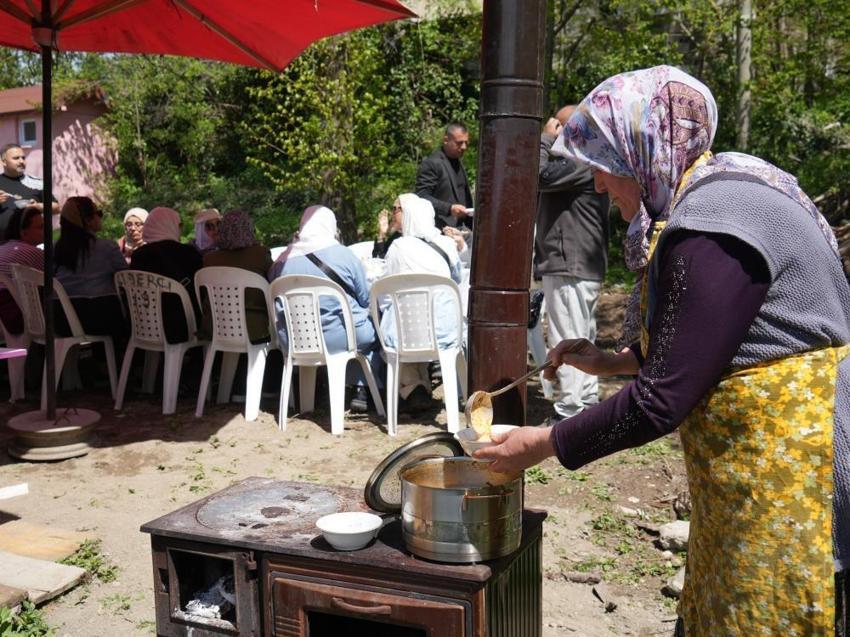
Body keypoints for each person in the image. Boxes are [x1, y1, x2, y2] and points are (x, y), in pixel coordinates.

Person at [476, 65, 850, 637]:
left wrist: (544, 443)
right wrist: (605, 362)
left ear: (642, 145)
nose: (599, 184)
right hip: (754, 475)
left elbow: (660, 400)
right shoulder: (722, 185)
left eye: (606, 163)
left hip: (797, 474)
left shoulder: (714, 223)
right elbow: (710, 343)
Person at [270, 205, 383, 412]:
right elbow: (365, 298)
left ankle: (319, 394)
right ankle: (360, 389)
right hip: (341, 337)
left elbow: (272, 289)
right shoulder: (344, 254)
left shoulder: (282, 260)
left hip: (295, 339)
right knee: (374, 331)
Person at [535, 104, 610, 419]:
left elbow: (537, 176)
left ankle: (568, 411)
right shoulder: (590, 159)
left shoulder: (582, 159)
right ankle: (586, 406)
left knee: (566, 338)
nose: (558, 134)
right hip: (577, 263)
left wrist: (542, 142)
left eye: (561, 127)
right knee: (580, 337)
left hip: (571, 262)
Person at [380, 193, 463, 410]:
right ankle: (420, 388)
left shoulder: (398, 247)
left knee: (396, 317)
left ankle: (412, 388)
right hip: (446, 332)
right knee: (415, 316)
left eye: (397, 209)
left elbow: (385, 292)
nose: (393, 213)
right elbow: (457, 281)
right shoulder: (446, 244)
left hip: (408, 335)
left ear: (409, 216)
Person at [54, 196, 128, 344]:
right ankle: (120, 364)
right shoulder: (107, 248)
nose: (100, 217)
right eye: (98, 213)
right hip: (96, 319)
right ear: (87, 220)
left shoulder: (56, 249)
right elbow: (127, 278)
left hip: (60, 319)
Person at [130, 206, 203, 343]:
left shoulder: (138, 256)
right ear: (172, 225)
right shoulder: (188, 253)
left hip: (144, 325)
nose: (180, 229)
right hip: (182, 326)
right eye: (179, 225)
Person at [202, 210, 272, 343]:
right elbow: (274, 285)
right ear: (249, 229)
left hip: (216, 327)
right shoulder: (260, 254)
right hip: (254, 329)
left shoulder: (209, 259)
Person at [415, 122, 474, 231]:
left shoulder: (457, 161)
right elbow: (422, 196)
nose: (464, 147)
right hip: (442, 231)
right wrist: (449, 209)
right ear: (446, 139)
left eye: (466, 142)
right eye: (459, 143)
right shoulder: (432, 163)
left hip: (463, 229)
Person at [0, 205, 44, 334]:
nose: (46, 230)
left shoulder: (3, 248)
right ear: (24, 232)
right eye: (41, 227)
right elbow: (54, 284)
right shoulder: (34, 252)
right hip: (14, 317)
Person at [0, 143, 58, 239]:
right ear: (4, 162)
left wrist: (38, 206)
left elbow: (56, 207)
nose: (21, 161)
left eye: (23, 158)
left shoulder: (37, 183)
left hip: (32, 243)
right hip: (2, 245)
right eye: (16, 158)